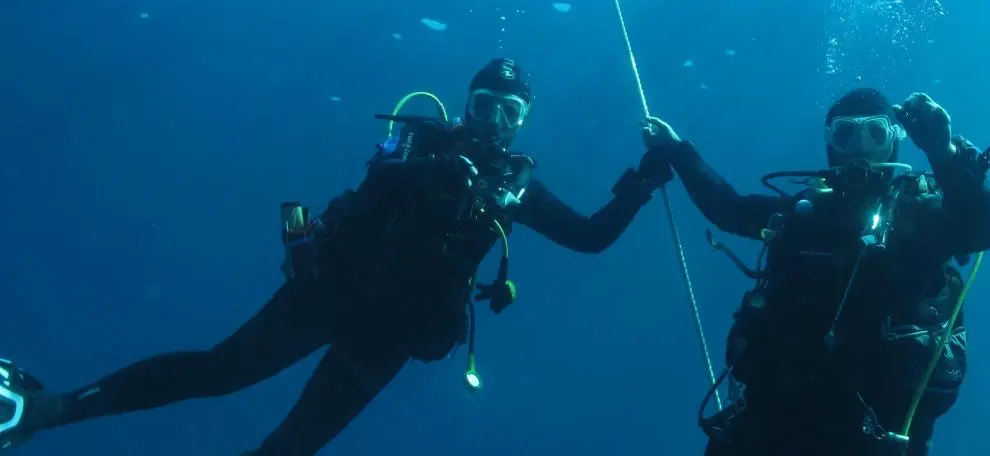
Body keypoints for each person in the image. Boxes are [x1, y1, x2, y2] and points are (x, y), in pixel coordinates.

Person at [0, 57, 672, 455]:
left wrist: (641, 182)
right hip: (329, 288)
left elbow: (589, 237)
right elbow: (379, 177)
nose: (493, 120)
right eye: (484, 104)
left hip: (392, 332)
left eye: (509, 112)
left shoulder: (516, 186)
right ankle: (48, 410)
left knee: (294, 446)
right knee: (219, 371)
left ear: (523, 120)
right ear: (466, 102)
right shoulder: (421, 136)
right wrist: (438, 173)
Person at [642, 88, 990, 456]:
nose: (861, 148)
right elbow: (728, 209)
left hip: (868, 438)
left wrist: (944, 154)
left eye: (875, 133)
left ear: (893, 142)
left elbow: (981, 231)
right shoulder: (802, 217)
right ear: (831, 143)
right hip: (772, 424)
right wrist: (677, 151)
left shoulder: (916, 217)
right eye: (846, 134)